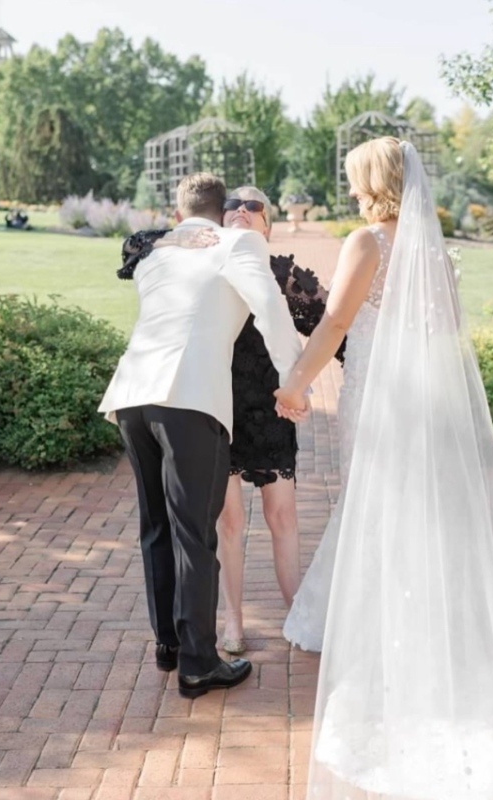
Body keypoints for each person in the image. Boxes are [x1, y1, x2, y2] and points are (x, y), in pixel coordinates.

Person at [276, 139, 493, 798]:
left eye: (354, 180)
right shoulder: (434, 250)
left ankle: (384, 648)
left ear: (374, 181)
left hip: (380, 397)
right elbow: (445, 332)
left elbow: (334, 324)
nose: (350, 192)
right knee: (419, 514)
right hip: (425, 396)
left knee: (377, 507)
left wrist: (296, 384)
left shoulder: (367, 243)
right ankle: (427, 637)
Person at [98, 172, 303, 700]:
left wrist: (174, 236)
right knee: (194, 533)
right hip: (189, 399)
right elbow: (272, 311)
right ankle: (198, 664)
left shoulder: (158, 251)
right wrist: (294, 384)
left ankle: (168, 644)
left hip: (132, 398)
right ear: (221, 211)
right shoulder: (239, 242)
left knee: (156, 526)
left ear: (179, 210)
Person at [119, 186, 343, 657]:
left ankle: (296, 613)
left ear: (269, 225)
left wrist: (303, 385)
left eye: (254, 206)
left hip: (270, 410)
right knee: (227, 521)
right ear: (218, 219)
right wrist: (174, 239)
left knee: (281, 516)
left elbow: (332, 331)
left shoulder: (278, 272)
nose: (242, 211)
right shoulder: (208, 251)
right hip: (214, 408)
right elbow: (135, 244)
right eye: (233, 205)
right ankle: (231, 623)